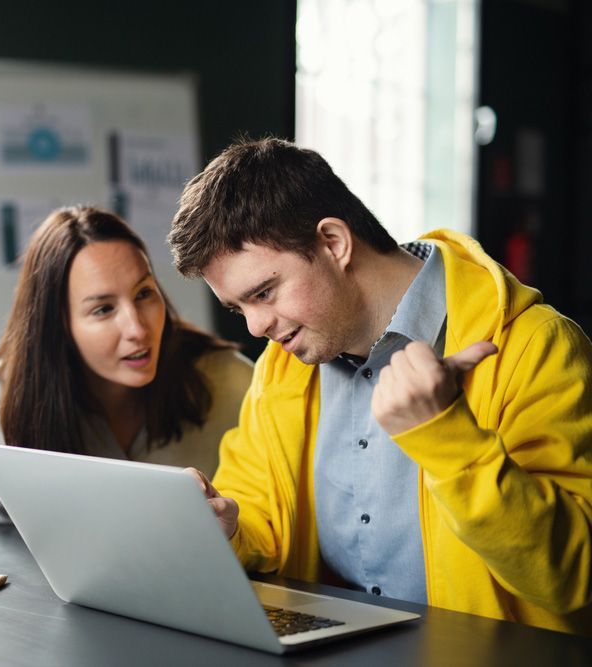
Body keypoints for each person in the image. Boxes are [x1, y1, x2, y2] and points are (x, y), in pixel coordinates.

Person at [168, 137, 592, 636]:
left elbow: (575, 575)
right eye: (240, 308)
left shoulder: (534, 345)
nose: (256, 327)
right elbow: (264, 512)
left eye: (264, 292)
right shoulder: (283, 368)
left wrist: (444, 436)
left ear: (334, 243)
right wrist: (229, 527)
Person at [0, 205, 253, 524]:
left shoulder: (231, 381)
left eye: (143, 293)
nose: (137, 329)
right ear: (58, 324)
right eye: (103, 309)